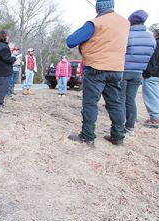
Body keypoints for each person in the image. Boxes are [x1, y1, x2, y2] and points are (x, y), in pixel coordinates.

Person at [66, 0, 130, 146]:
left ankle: (88, 136)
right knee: (115, 103)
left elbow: (70, 41)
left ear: (98, 8)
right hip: (117, 69)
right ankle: (118, 137)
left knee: (90, 103)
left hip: (96, 67)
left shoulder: (95, 23)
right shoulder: (125, 23)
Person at [105, 10, 156, 136]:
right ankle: (130, 127)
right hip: (138, 72)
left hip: (124, 70)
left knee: (120, 99)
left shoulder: (127, 35)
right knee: (131, 100)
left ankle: (118, 127)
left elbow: (118, 50)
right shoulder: (151, 38)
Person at [0, 30, 16, 113]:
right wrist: (14, 59)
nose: (8, 37)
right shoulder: (3, 46)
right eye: (7, 36)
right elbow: (7, 58)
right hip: (3, 70)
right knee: (2, 87)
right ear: (4, 36)